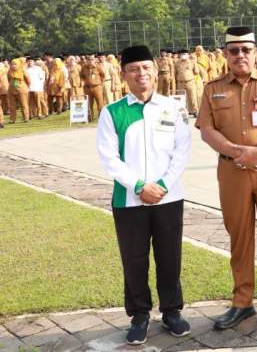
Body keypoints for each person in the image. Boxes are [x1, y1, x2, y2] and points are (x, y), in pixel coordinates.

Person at [196, 26, 257, 330]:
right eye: (234, 51)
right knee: (239, 235)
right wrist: (235, 151)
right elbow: (206, 129)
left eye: (246, 50)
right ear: (225, 55)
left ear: (256, 53)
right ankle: (242, 302)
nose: (240, 55)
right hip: (233, 170)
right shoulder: (212, 88)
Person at [96, 45, 192, 346]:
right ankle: (139, 315)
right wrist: (139, 186)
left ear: (155, 70)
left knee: (169, 256)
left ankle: (172, 311)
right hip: (129, 200)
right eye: (134, 69)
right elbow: (109, 158)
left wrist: (162, 184)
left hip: (168, 196)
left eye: (146, 67)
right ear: (124, 74)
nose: (141, 74)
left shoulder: (173, 107)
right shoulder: (112, 112)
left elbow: (182, 150)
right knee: (134, 259)